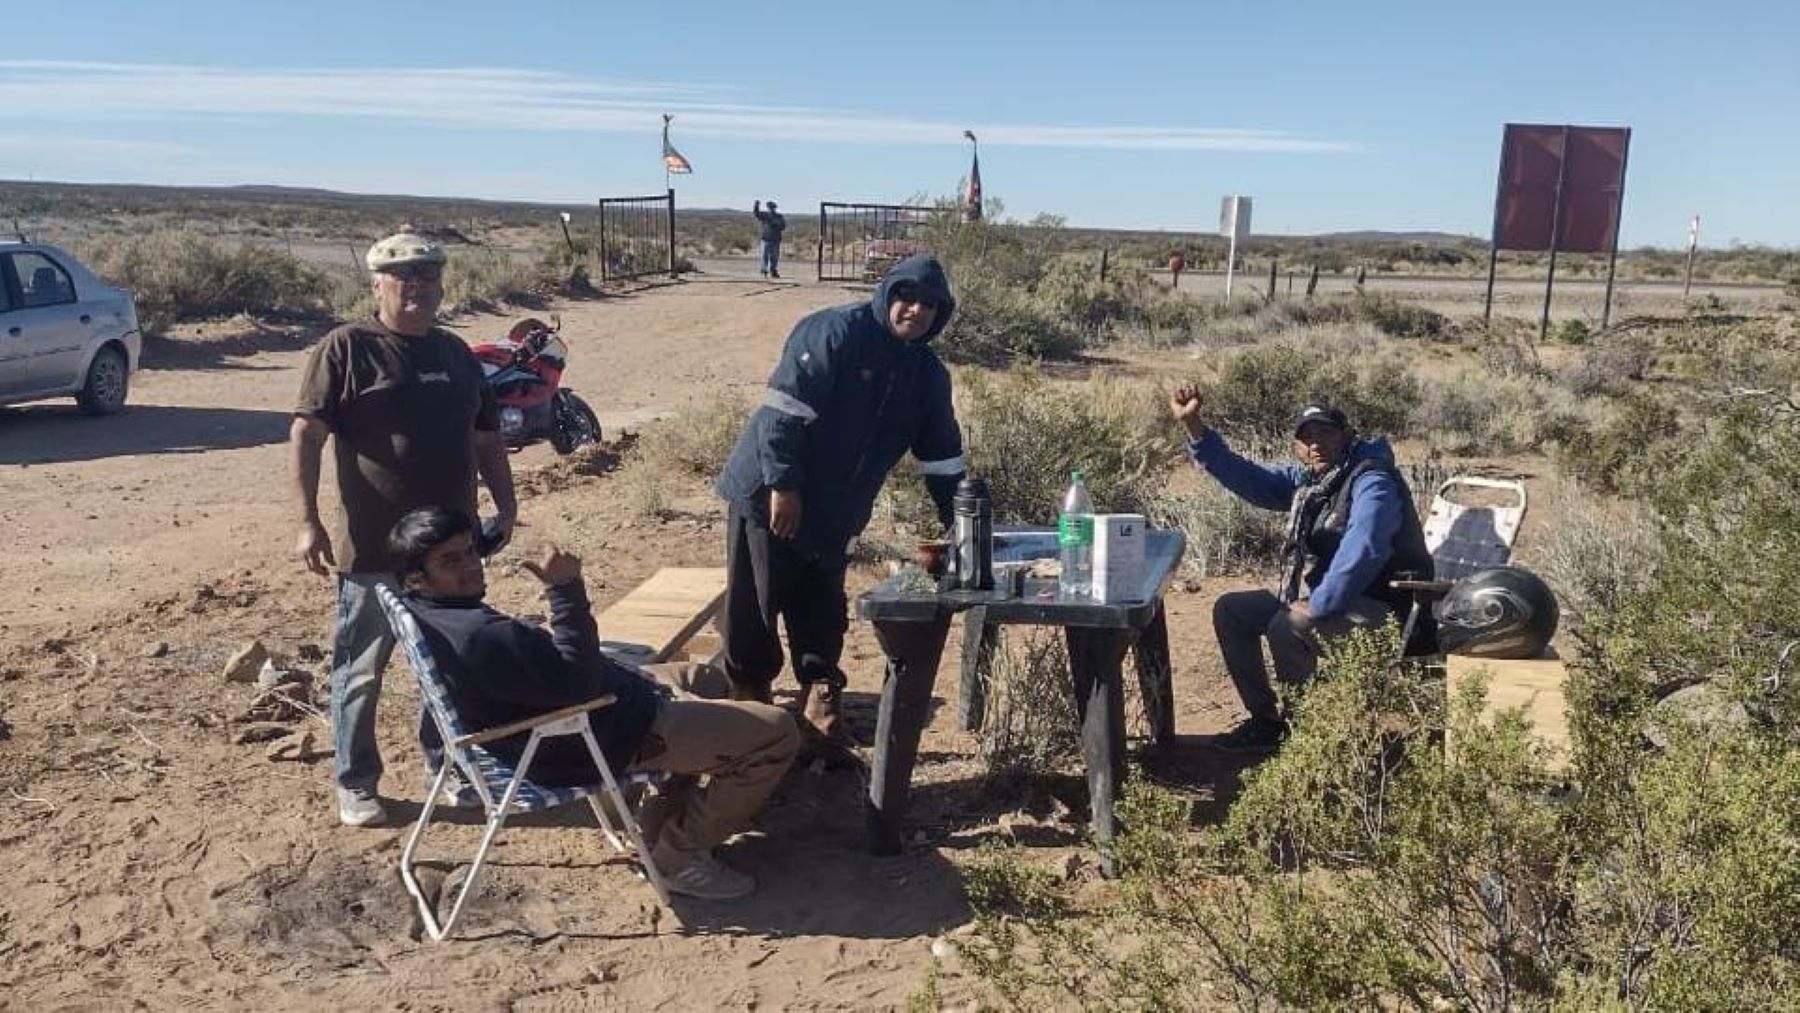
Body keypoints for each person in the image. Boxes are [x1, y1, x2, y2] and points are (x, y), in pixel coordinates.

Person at [388, 508, 799, 900]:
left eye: (470, 552)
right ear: (418, 579)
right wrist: (565, 591)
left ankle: (659, 820)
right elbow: (578, 685)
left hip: (579, 715)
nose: (470, 565)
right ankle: (680, 856)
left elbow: (544, 671)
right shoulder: (479, 635)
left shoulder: (433, 612)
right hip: (597, 734)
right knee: (778, 733)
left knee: (706, 679)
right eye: (450, 561)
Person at [291, 232, 518, 828]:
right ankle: (356, 782)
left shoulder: (455, 354)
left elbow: (487, 439)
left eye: (428, 280)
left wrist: (507, 506)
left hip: (450, 549)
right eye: (403, 280)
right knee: (361, 669)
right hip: (372, 549)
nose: (417, 289)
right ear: (377, 286)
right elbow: (306, 434)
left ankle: (446, 769)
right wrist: (308, 521)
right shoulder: (346, 349)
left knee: (447, 666)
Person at [715, 254, 966, 740]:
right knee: (755, 606)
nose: (915, 310)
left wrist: (964, 520)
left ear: (940, 315)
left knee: (822, 606)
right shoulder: (835, 332)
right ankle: (749, 713)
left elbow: (942, 457)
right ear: (887, 294)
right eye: (906, 297)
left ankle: (819, 703)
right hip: (769, 492)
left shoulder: (928, 375)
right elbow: (782, 412)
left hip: (837, 510)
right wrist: (784, 485)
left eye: (929, 305)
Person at [1169, 392, 1433, 751]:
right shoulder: (1314, 482)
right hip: (1344, 600)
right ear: (1296, 446)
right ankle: (1267, 723)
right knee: (1232, 611)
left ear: (1347, 434)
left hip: (1389, 609)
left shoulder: (1372, 479)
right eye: (1307, 437)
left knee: (1288, 624)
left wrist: (1321, 603)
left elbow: (1366, 545)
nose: (1316, 444)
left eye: (1325, 433)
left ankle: (1306, 737)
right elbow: (1253, 480)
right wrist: (1196, 429)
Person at [753, 199, 787, 279]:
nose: (771, 209)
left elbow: (783, 226)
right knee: (764, 255)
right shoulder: (765, 215)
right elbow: (756, 214)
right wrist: (756, 206)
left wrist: (776, 224)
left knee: (774, 257)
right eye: (769, 207)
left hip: (775, 239)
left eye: (772, 207)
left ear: (774, 208)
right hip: (766, 238)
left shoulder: (779, 217)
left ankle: (773, 270)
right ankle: (764, 270)